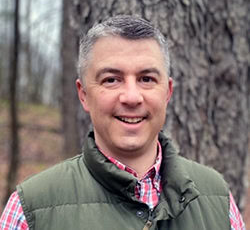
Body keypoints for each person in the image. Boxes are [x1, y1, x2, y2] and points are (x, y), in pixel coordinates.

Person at [0, 15, 245, 230]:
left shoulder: (218, 199)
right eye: (111, 80)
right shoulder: (30, 210)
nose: (131, 97)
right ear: (83, 94)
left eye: (146, 79)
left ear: (167, 92)